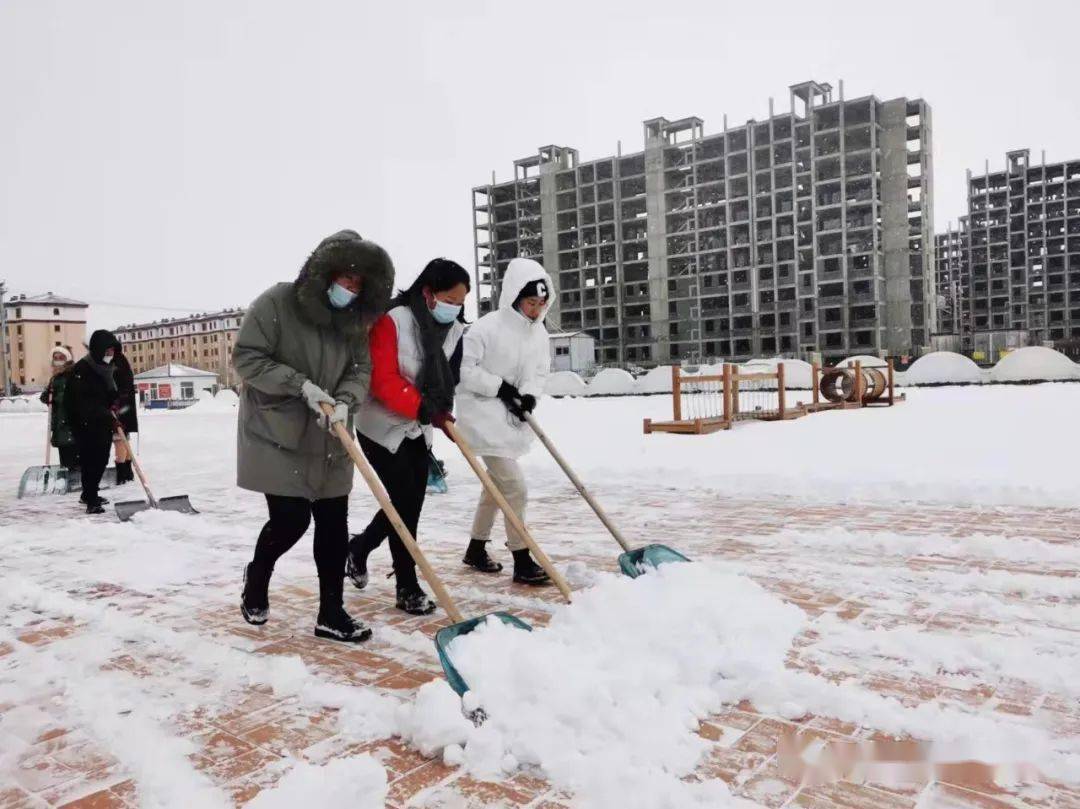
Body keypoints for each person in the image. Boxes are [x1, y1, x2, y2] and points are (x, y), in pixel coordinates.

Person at [234, 230, 393, 644]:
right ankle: (258, 576)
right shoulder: (277, 303)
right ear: (323, 271)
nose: (350, 289)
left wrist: (344, 401)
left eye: (359, 285)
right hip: (277, 430)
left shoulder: (355, 320)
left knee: (333, 523)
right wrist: (299, 385)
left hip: (330, 432)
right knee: (291, 521)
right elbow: (247, 358)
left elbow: (361, 370)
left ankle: (331, 612)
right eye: (345, 278)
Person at [346, 258, 469, 615]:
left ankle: (359, 548)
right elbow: (383, 380)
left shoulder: (455, 330)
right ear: (428, 293)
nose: (455, 309)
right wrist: (422, 407)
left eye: (460, 303)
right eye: (450, 300)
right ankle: (407, 585)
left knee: (410, 500)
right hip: (380, 424)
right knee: (405, 499)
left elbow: (449, 376)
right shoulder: (392, 321)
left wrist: (440, 411)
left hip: (419, 423)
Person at [455, 257, 552, 584]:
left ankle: (476, 547)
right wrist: (501, 388)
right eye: (530, 302)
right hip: (481, 416)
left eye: (541, 303)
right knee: (514, 486)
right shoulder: (486, 328)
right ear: (515, 297)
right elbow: (465, 371)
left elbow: (539, 372)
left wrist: (528, 395)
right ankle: (522, 558)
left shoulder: (539, 335)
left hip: (511, 418)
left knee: (496, 487)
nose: (536, 310)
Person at [66, 331, 121, 514]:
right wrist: (105, 413)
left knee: (101, 459)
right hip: (84, 424)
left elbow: (108, 393)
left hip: (102, 422)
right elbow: (82, 401)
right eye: (108, 350)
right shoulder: (82, 369)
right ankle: (91, 499)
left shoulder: (107, 369)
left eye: (113, 350)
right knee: (91, 460)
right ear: (99, 349)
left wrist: (114, 402)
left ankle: (90, 493)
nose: (111, 354)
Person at [40, 346, 79, 469]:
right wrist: (48, 394)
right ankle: (68, 473)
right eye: (55, 358)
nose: (57, 360)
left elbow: (72, 397)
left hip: (72, 421)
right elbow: (45, 397)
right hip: (60, 423)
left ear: (67, 359)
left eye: (61, 357)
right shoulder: (55, 378)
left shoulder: (73, 375)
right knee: (64, 451)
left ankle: (78, 475)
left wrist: (58, 397)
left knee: (74, 450)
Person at [109, 338, 139, 484]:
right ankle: (127, 472)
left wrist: (115, 403)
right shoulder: (121, 361)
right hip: (124, 407)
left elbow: (119, 386)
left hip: (118, 407)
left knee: (119, 439)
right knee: (123, 438)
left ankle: (122, 473)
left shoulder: (116, 363)